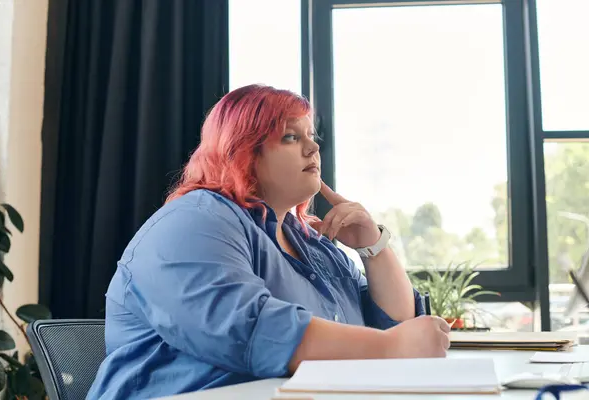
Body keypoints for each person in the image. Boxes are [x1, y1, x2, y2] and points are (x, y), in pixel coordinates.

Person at [87, 84, 450, 400]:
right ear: (242, 152)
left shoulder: (311, 242)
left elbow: (391, 325)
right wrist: (391, 348)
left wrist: (373, 246)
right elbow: (251, 330)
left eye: (312, 136)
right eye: (292, 137)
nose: (313, 149)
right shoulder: (192, 221)